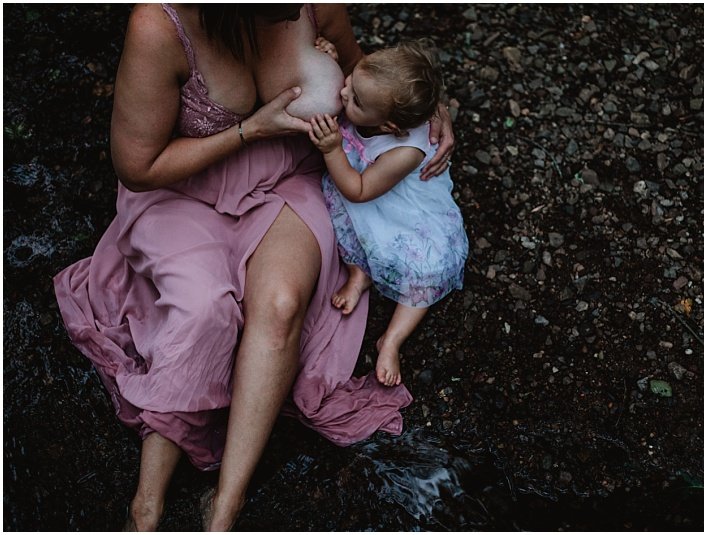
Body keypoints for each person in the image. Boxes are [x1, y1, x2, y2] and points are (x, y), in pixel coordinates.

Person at [52, 4, 454, 531]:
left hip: (290, 176)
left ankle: (225, 507)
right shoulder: (159, 24)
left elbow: (374, 85)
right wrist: (247, 131)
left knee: (282, 306)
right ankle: (145, 507)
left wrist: (431, 119)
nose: (293, 7)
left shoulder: (313, 5)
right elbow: (138, 166)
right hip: (185, 189)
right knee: (202, 311)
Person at [308, 40, 469, 387]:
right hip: (367, 187)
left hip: (399, 209)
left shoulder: (404, 151)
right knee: (350, 231)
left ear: (389, 127)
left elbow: (359, 191)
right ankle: (359, 274)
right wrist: (334, 63)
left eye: (355, 100)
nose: (344, 92)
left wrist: (333, 149)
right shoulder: (371, 93)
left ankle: (392, 340)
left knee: (427, 270)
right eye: (350, 81)